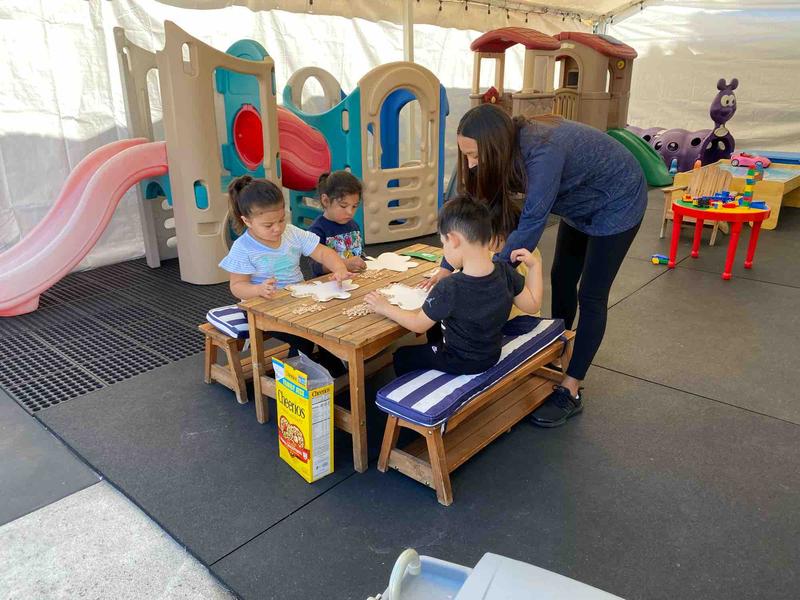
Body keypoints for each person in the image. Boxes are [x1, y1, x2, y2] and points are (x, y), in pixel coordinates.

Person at [428, 104, 647, 428]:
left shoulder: (542, 153)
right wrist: (447, 265)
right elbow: (474, 216)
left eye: (475, 155)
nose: (471, 165)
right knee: (561, 276)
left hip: (617, 201)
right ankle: (560, 350)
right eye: (466, 156)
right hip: (579, 202)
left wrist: (487, 274)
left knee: (591, 295)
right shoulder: (503, 154)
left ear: (495, 146)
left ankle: (571, 388)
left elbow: (531, 223)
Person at [365, 195, 542, 377]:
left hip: (459, 360)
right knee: (436, 327)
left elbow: (418, 325)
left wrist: (384, 307)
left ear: (453, 240)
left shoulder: (450, 287)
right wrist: (535, 266)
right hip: (491, 354)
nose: (444, 250)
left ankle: (411, 400)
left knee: (402, 355)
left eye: (444, 243)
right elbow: (533, 304)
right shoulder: (505, 272)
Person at [220, 175, 352, 373]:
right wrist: (258, 289)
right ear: (247, 221)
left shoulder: (290, 233)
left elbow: (322, 251)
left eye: (281, 220)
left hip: (297, 300)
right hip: (261, 309)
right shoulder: (243, 248)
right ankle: (293, 381)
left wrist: (339, 268)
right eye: (268, 225)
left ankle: (331, 371)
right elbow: (237, 286)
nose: (277, 228)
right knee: (303, 336)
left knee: (328, 325)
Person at [308, 171, 367, 277]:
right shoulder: (317, 230)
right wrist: (344, 264)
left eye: (354, 206)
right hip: (329, 285)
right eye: (343, 206)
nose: (350, 212)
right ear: (325, 201)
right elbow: (316, 267)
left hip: (354, 281)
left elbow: (359, 253)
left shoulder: (353, 225)